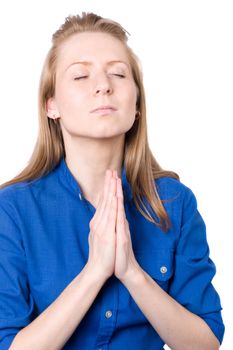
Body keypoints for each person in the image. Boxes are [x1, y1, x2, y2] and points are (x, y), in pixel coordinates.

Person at [0, 12, 225, 350]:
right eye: (80, 76)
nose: (103, 85)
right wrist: (94, 272)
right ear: (52, 105)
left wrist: (132, 272)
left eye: (118, 73)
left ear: (136, 105)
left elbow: (206, 343)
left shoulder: (176, 203)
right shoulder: (13, 211)